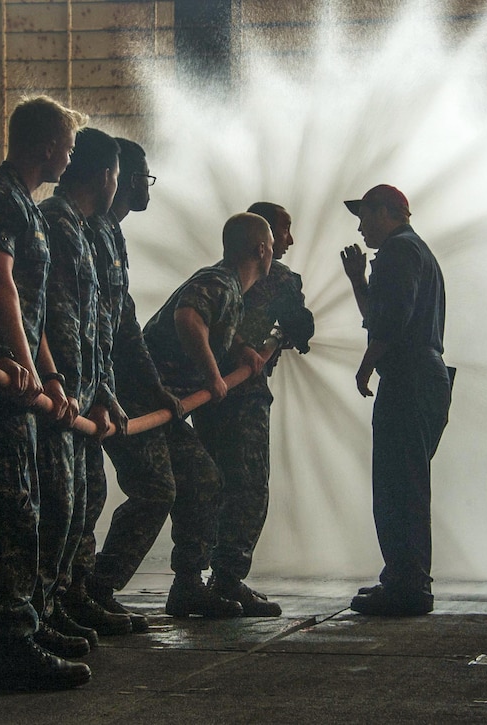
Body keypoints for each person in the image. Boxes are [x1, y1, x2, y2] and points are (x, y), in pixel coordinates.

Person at [0, 95, 91, 691]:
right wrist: (21, 365)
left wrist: (48, 375)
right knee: (4, 515)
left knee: (24, 511)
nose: (73, 154)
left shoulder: (24, 208)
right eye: (68, 143)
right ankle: (9, 647)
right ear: (46, 145)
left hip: (18, 384)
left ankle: (22, 631)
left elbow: (34, 310)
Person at [142, 212, 273, 618]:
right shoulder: (222, 282)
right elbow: (189, 317)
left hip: (159, 402)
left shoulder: (225, 284)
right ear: (262, 250)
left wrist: (239, 350)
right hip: (145, 400)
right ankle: (109, 584)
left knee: (201, 481)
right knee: (193, 483)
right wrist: (214, 375)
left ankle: (188, 586)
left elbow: (214, 324)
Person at [80, 138, 183, 631]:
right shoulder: (80, 228)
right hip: (81, 386)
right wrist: (103, 390)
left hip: (110, 385)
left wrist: (154, 389)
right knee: (83, 497)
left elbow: (123, 325)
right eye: (143, 175)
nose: (146, 186)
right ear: (117, 174)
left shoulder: (111, 236)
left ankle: (94, 590)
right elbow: (80, 322)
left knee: (152, 489)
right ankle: (76, 597)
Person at [192, 202, 314, 616]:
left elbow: (297, 325)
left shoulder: (236, 277)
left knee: (220, 487)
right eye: (284, 230)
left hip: (223, 393)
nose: (289, 240)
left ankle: (206, 579)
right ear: (262, 240)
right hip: (230, 395)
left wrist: (289, 331)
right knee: (240, 488)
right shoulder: (238, 279)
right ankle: (217, 580)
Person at [35, 127, 131, 645]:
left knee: (83, 502)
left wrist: (104, 394)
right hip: (59, 400)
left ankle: (64, 601)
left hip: (82, 399)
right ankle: (39, 617)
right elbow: (54, 318)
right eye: (118, 175)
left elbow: (97, 328)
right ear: (103, 175)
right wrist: (71, 388)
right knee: (55, 510)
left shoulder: (84, 227)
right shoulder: (56, 223)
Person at [339, 184, 451, 617]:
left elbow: (390, 321)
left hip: (408, 377)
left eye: (365, 215)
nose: (361, 226)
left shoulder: (400, 252)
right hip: (422, 376)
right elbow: (378, 313)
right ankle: (403, 577)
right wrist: (357, 281)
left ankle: (409, 586)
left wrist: (367, 364)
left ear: (388, 212)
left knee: (398, 486)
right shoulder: (411, 250)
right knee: (402, 483)